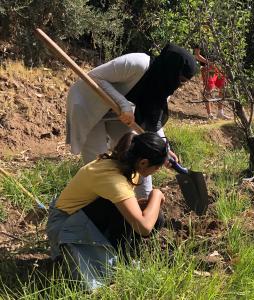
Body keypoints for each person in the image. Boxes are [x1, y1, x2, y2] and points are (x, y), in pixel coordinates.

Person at [66, 43, 196, 201]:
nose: (179, 86)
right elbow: (93, 77)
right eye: (180, 80)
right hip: (89, 104)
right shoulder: (137, 63)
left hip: (117, 114)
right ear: (170, 69)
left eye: (184, 83)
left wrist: (163, 148)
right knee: (98, 162)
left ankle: (144, 203)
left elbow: (152, 121)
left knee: (142, 151)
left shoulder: (163, 87)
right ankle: (101, 207)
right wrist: (123, 103)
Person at [46, 132, 168, 290]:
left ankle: (123, 260)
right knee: (143, 215)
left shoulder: (126, 161)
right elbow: (143, 228)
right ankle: (114, 266)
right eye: (157, 168)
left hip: (82, 219)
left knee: (152, 215)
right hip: (65, 228)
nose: (157, 171)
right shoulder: (113, 179)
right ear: (143, 163)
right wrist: (156, 195)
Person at [193, 45, 231, 120]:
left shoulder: (218, 37)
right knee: (208, 89)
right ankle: (209, 114)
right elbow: (196, 55)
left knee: (223, 86)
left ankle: (220, 112)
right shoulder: (201, 38)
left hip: (218, 67)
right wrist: (208, 63)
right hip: (207, 68)